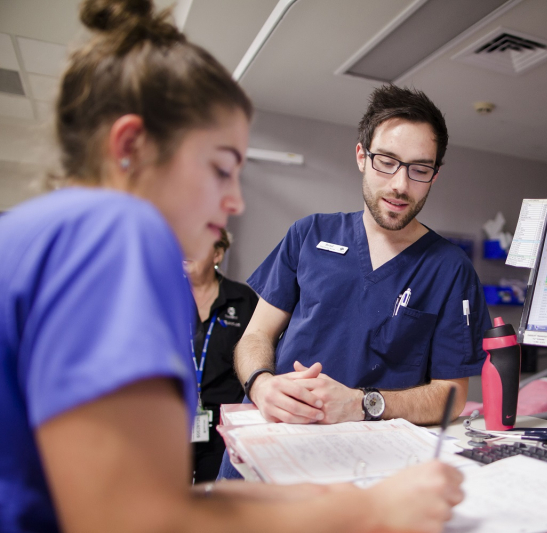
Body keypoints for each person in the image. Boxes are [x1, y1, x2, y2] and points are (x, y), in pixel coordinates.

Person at [0, 1, 463, 532]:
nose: (236, 201)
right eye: (221, 169)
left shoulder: (38, 235)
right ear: (130, 147)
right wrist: (370, 511)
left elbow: (147, 495)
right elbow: (139, 519)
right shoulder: (112, 245)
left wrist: (318, 499)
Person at [234, 85, 492, 430]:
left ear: (435, 175)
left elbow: (451, 395)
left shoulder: (450, 269)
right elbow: (256, 336)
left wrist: (362, 403)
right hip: (274, 434)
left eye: (419, 169)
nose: (400, 184)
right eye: (386, 162)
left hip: (364, 460)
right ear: (361, 156)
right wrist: (261, 385)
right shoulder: (309, 234)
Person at [185, 229, 258, 482]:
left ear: (217, 253)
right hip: (170, 418)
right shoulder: (164, 296)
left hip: (222, 423)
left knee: (212, 498)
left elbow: (256, 353)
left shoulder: (242, 299)